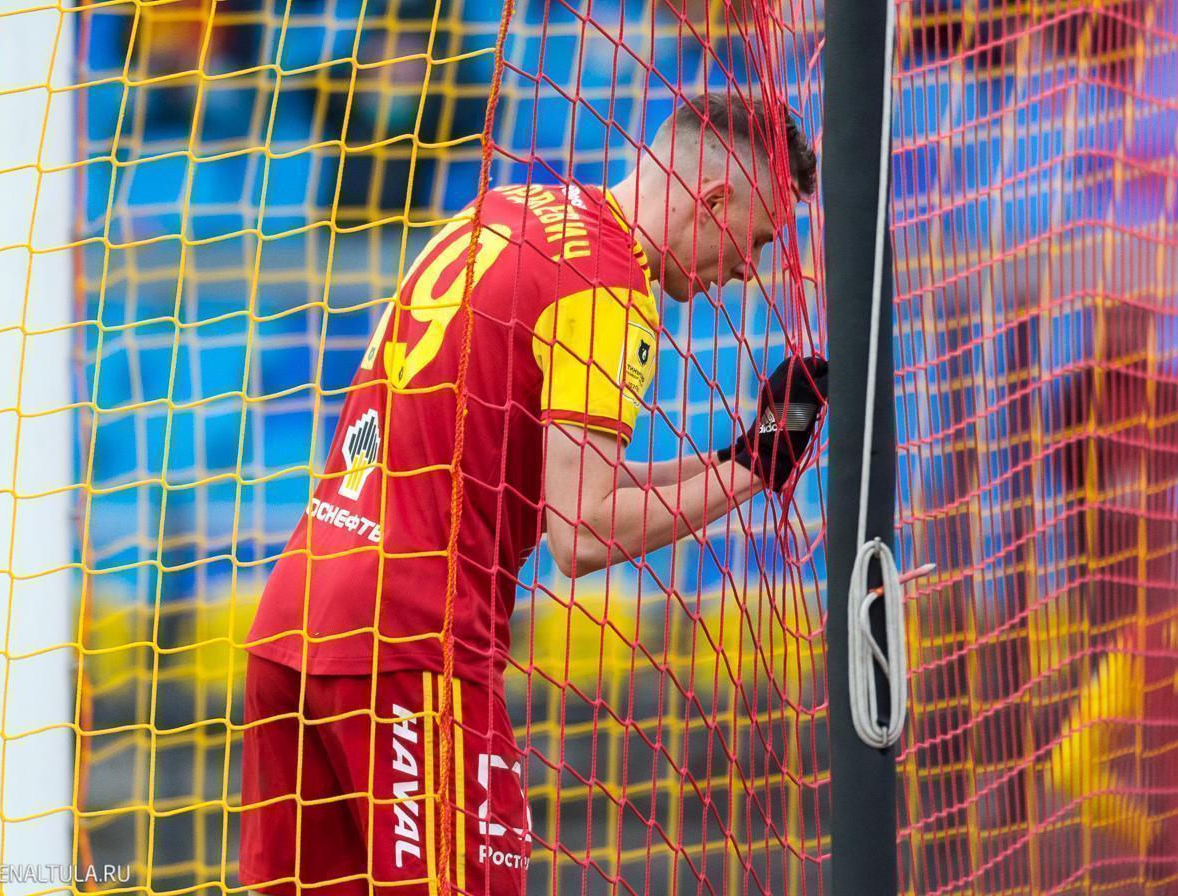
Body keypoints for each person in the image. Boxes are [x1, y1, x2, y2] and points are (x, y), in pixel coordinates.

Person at [239, 93, 825, 896]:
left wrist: (741, 457)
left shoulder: (511, 209)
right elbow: (582, 532)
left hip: (298, 615)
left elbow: (556, 482)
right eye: (756, 240)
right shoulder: (609, 288)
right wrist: (757, 472)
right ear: (715, 201)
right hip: (410, 646)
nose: (750, 269)